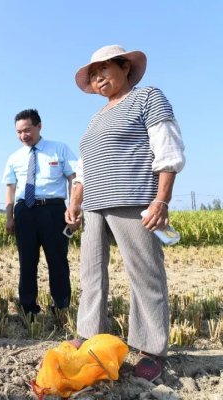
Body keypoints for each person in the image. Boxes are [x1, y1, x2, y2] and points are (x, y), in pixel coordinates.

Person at [65, 45, 185, 381]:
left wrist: (161, 201)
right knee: (91, 274)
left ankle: (151, 348)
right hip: (94, 205)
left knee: (145, 273)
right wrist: (74, 201)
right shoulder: (96, 118)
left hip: (133, 198)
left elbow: (168, 150)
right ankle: (89, 334)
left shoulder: (147, 98)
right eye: (93, 74)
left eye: (104, 69)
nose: (98, 78)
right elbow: (84, 167)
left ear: (125, 67)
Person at [2, 109, 77, 318]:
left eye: (27, 130)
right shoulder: (14, 157)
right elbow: (10, 188)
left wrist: (73, 207)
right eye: (19, 132)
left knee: (57, 260)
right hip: (24, 211)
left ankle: (61, 306)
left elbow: (74, 178)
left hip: (53, 210)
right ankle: (28, 307)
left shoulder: (59, 149)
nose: (23, 135)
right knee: (27, 261)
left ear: (39, 126)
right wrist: (9, 217)